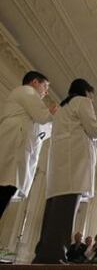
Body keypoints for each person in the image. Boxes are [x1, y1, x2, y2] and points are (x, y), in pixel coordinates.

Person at [32, 79, 97, 264]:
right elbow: (94, 131)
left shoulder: (62, 109)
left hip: (59, 167)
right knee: (65, 214)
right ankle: (54, 256)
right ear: (86, 92)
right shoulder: (82, 102)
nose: (92, 100)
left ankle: (43, 253)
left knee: (53, 213)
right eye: (91, 95)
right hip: (75, 166)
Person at [0, 71, 57, 219]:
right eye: (45, 86)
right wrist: (53, 112)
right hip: (13, 146)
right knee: (5, 189)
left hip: (18, 148)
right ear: (34, 82)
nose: (46, 91)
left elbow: (43, 131)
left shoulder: (27, 107)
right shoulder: (27, 91)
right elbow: (43, 117)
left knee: (7, 190)